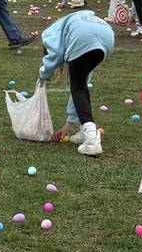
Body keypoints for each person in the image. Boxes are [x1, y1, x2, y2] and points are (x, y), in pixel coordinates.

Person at [39, 10, 115, 156]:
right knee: (80, 85)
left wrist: (44, 74)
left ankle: (92, 140)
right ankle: (85, 130)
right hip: (107, 36)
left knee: (78, 87)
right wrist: (68, 124)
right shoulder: (72, 23)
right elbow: (82, 84)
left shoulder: (50, 32)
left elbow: (55, 54)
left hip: (84, 36)